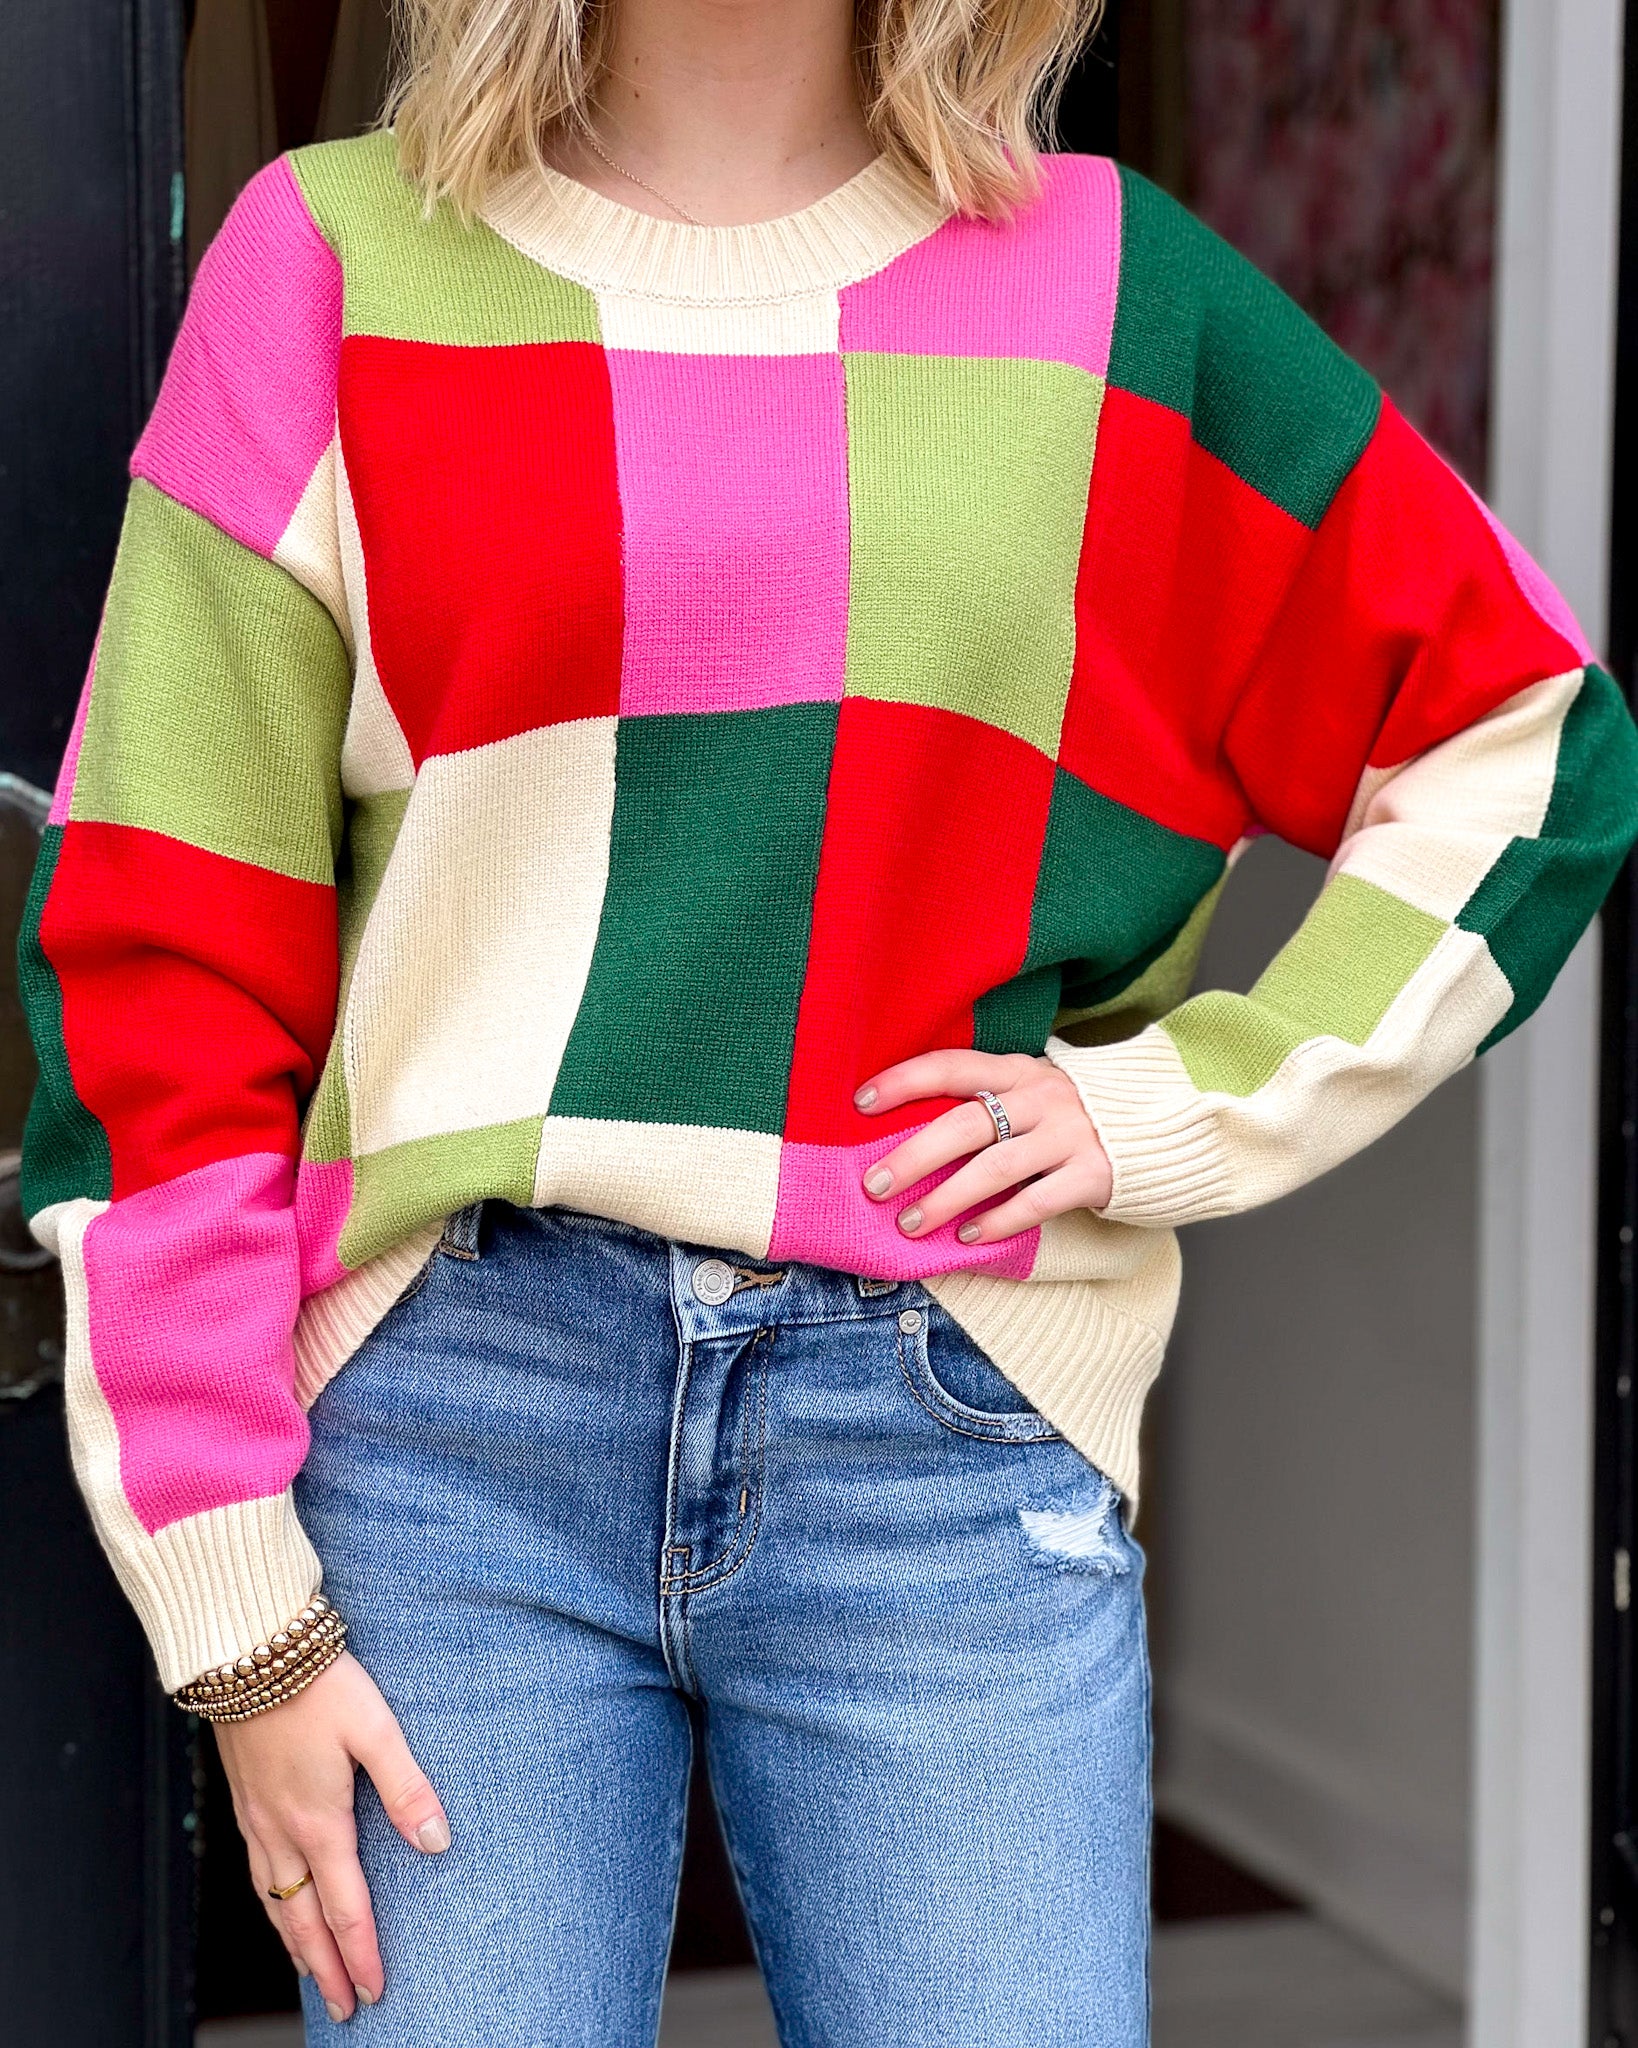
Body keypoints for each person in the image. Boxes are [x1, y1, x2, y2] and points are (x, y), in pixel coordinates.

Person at [20, 0, 1638, 2039]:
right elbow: (161, 951)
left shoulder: (1115, 290)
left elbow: (1526, 738)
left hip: (940, 1430)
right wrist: (238, 1614)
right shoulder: (331, 261)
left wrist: (1171, 1105)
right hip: (447, 1434)